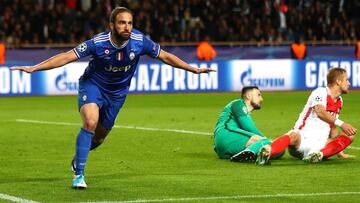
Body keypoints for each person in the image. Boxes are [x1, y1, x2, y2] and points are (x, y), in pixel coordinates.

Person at [10, 7, 215, 189]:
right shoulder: (98, 43)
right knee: (90, 122)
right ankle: (79, 174)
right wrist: (34, 68)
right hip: (93, 86)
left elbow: (165, 55)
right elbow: (66, 56)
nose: (127, 27)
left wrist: (192, 69)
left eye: (129, 23)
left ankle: (79, 157)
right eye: (122, 23)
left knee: (99, 138)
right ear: (112, 25)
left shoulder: (139, 41)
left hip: (117, 94)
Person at [256, 67, 357, 165]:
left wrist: (339, 151)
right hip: (302, 138)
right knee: (293, 135)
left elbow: (332, 126)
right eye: (346, 80)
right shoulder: (320, 92)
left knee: (350, 135)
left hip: (321, 143)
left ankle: (318, 155)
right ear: (338, 81)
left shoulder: (340, 101)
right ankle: (267, 152)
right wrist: (342, 124)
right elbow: (320, 112)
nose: (349, 83)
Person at [214, 86, 283, 163]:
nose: (261, 99)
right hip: (226, 134)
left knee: (277, 150)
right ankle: (250, 152)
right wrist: (265, 139)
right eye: (258, 95)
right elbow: (248, 127)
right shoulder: (238, 104)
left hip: (226, 148)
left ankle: (245, 155)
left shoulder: (245, 113)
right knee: (268, 143)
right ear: (249, 96)